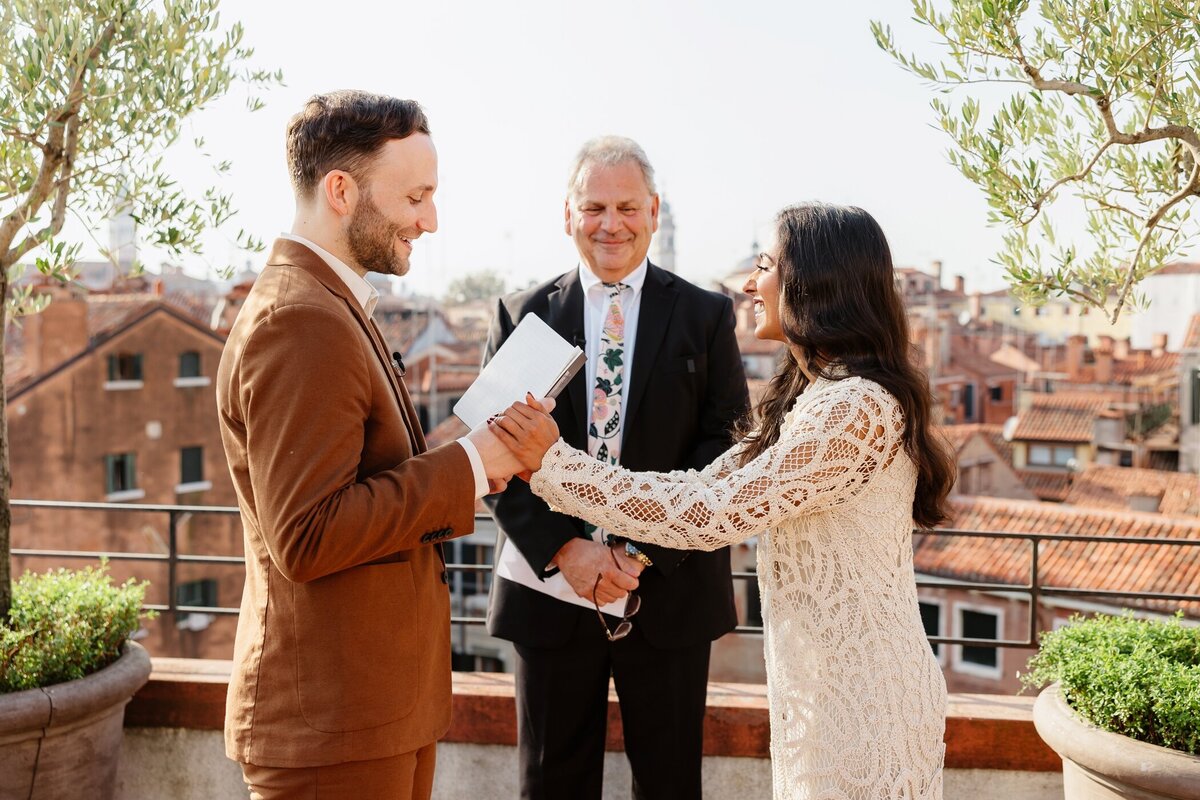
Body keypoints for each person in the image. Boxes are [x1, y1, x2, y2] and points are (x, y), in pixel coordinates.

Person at [493, 203, 956, 800]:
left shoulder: (853, 410)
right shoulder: (813, 399)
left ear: (814, 281)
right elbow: (700, 489)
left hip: (866, 701)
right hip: (822, 696)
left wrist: (554, 461)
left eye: (764, 265)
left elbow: (709, 516)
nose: (747, 283)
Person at [215, 90, 540, 800]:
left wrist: (475, 459)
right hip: (333, 724)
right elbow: (307, 534)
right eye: (416, 196)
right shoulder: (300, 319)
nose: (430, 219)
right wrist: (471, 464)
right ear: (341, 190)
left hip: (368, 714)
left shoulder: (326, 305)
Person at [482, 136, 749, 799]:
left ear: (654, 212)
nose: (611, 224)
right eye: (594, 206)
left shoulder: (705, 315)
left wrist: (637, 549)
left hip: (668, 593)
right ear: (567, 214)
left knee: (667, 784)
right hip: (550, 593)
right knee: (551, 784)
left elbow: (725, 445)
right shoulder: (523, 314)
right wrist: (565, 549)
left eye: (627, 206)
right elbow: (491, 450)